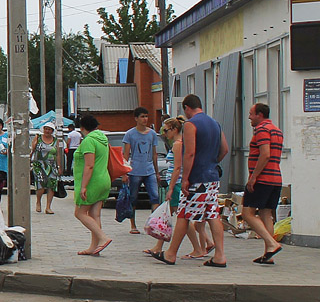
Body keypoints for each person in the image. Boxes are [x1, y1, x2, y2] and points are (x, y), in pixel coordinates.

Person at [152, 94, 229, 267]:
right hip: (212, 177)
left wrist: (185, 178)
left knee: (184, 214)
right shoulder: (215, 124)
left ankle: (171, 254)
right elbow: (225, 149)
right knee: (212, 214)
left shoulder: (191, 124)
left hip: (197, 178)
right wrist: (212, 162)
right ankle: (220, 255)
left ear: (187, 108)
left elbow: (190, 153)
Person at [243, 103, 285, 265]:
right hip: (275, 178)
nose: (249, 117)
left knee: (247, 213)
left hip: (262, 179)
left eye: (251, 114)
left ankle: (272, 244)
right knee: (266, 214)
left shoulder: (261, 130)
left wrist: (253, 177)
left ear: (259, 115)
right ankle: (269, 253)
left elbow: (265, 154)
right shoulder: (277, 130)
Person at [73, 114, 113, 255]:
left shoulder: (89, 141)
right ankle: (94, 248)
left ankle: (103, 238)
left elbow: (89, 165)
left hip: (93, 181)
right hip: (104, 179)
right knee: (95, 214)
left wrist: (83, 186)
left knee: (80, 213)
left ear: (82, 128)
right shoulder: (103, 138)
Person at [121, 106, 161, 235]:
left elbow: (154, 154)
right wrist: (124, 172)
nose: (145, 119)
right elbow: (126, 154)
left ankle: (153, 224)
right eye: (142, 116)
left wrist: (157, 172)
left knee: (155, 197)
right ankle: (133, 225)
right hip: (135, 171)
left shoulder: (152, 134)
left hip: (149, 170)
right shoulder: (130, 134)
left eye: (146, 116)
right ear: (136, 118)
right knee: (133, 198)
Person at [30, 123, 61, 215]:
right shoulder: (38, 137)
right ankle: (38, 201)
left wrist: (59, 166)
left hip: (52, 165)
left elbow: (57, 154)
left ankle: (48, 207)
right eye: (46, 129)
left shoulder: (56, 141)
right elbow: (32, 149)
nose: (47, 131)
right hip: (39, 164)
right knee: (40, 184)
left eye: (49, 129)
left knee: (52, 185)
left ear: (52, 131)